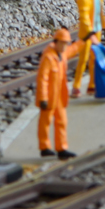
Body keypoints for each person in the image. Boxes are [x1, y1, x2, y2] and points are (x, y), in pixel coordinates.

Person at [35, 27, 83, 159]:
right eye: (63, 43)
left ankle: (62, 148)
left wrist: (82, 41)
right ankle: (44, 147)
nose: (65, 46)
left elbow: (72, 50)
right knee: (45, 122)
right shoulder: (48, 57)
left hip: (59, 97)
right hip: (50, 97)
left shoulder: (61, 54)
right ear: (56, 42)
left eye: (66, 43)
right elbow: (42, 78)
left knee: (62, 121)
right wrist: (43, 98)